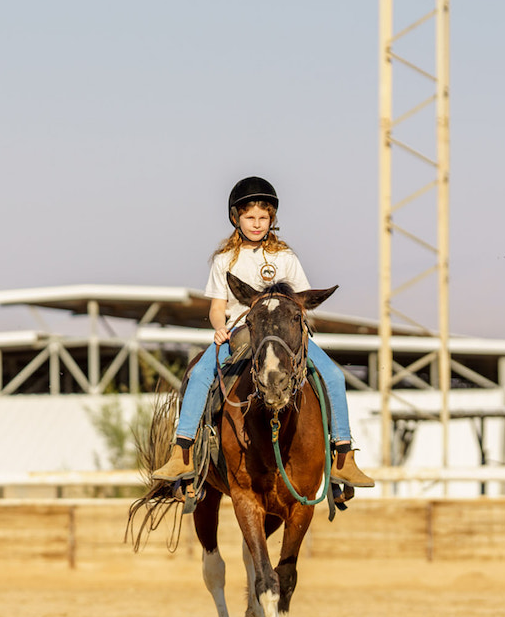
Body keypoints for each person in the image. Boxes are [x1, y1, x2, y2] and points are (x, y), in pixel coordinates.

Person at [152, 175, 374, 489]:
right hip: (240, 332)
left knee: (334, 377)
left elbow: (301, 302)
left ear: (272, 219)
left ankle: (343, 458)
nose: (257, 223)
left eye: (263, 217)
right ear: (236, 218)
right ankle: (183, 453)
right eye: (250, 217)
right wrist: (219, 328)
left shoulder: (286, 258)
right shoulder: (225, 260)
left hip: (283, 335)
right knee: (200, 374)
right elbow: (218, 307)